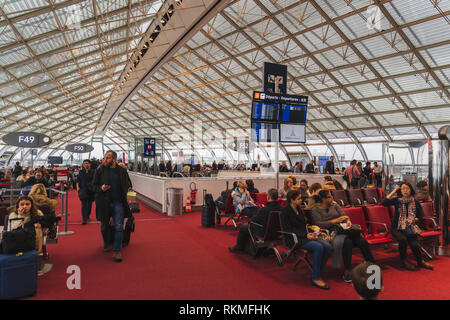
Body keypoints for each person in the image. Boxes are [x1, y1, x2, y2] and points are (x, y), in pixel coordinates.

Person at [311, 189, 375, 283]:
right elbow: (319, 224)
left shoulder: (334, 204)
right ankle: (347, 270)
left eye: (331, 196)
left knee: (362, 240)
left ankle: (371, 264)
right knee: (347, 242)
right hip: (329, 233)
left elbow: (344, 216)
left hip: (342, 229)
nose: (332, 198)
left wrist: (348, 221)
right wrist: (335, 221)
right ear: (323, 199)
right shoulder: (316, 209)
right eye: (329, 197)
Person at [280, 190, 332, 289]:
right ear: (292, 200)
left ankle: (318, 271)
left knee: (328, 246)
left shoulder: (299, 209)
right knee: (319, 247)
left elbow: (303, 226)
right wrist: (305, 235)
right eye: (299, 199)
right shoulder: (285, 212)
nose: (301, 201)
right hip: (293, 239)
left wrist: (310, 234)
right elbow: (288, 229)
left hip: (304, 237)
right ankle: (316, 277)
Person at [381, 182, 433, 271]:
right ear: (400, 190)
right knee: (403, 239)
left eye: (407, 188)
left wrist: (414, 220)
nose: (405, 190)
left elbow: (419, 217)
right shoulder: (397, 200)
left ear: (411, 190)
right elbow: (384, 203)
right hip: (396, 227)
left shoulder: (415, 202)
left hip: (409, 227)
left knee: (414, 244)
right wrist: (394, 191)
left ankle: (420, 261)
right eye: (403, 189)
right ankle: (404, 261)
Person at [93, 150, 132, 263]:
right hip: (104, 202)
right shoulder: (100, 169)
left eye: (108, 157)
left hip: (118, 202)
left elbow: (128, 183)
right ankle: (106, 242)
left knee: (119, 226)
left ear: (114, 159)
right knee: (104, 226)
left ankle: (117, 250)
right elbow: (93, 185)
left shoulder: (121, 171)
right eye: (105, 157)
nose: (106, 159)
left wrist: (128, 190)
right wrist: (101, 188)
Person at [228, 189, 282, 255]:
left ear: (268, 197)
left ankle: (239, 247)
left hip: (264, 232)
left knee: (243, 227)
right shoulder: (282, 208)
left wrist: (251, 221)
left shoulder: (265, 209)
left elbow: (254, 220)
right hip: (278, 233)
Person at [7, 195, 45, 275]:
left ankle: (36, 261)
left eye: (27, 204)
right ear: (18, 206)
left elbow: (45, 228)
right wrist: (21, 216)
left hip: (33, 238)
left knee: (37, 229)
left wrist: (40, 225)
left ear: (31, 205)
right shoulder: (13, 215)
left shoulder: (38, 213)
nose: (25, 206)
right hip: (17, 238)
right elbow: (12, 229)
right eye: (22, 204)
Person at [77, 160, 96, 225]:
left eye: (87, 163)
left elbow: (95, 181)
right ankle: (84, 219)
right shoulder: (81, 172)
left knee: (89, 205)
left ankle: (87, 215)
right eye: (84, 163)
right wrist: (78, 188)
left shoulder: (93, 172)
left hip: (91, 190)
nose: (86, 164)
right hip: (83, 190)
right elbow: (78, 180)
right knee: (84, 205)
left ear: (90, 164)